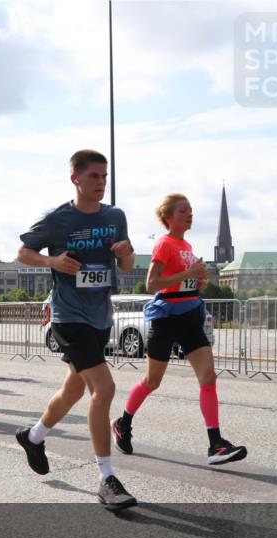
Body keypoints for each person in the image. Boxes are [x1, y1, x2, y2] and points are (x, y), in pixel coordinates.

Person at [15, 149, 137, 511]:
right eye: (94, 176)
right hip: (68, 316)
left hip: (101, 314)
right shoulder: (57, 219)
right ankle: (106, 477)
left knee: (74, 387)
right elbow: (23, 252)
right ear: (76, 179)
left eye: (105, 176)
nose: (101, 183)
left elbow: (126, 266)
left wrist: (126, 252)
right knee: (105, 387)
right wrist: (51, 260)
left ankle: (33, 436)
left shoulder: (115, 216)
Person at [113, 194, 247, 465]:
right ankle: (122, 424)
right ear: (168, 217)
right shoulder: (164, 244)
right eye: (183, 211)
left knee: (208, 377)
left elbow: (185, 284)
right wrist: (187, 275)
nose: (190, 214)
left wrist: (198, 283)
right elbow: (152, 284)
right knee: (153, 381)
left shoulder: (186, 244)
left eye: (191, 210)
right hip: (166, 319)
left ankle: (215, 444)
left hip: (189, 317)